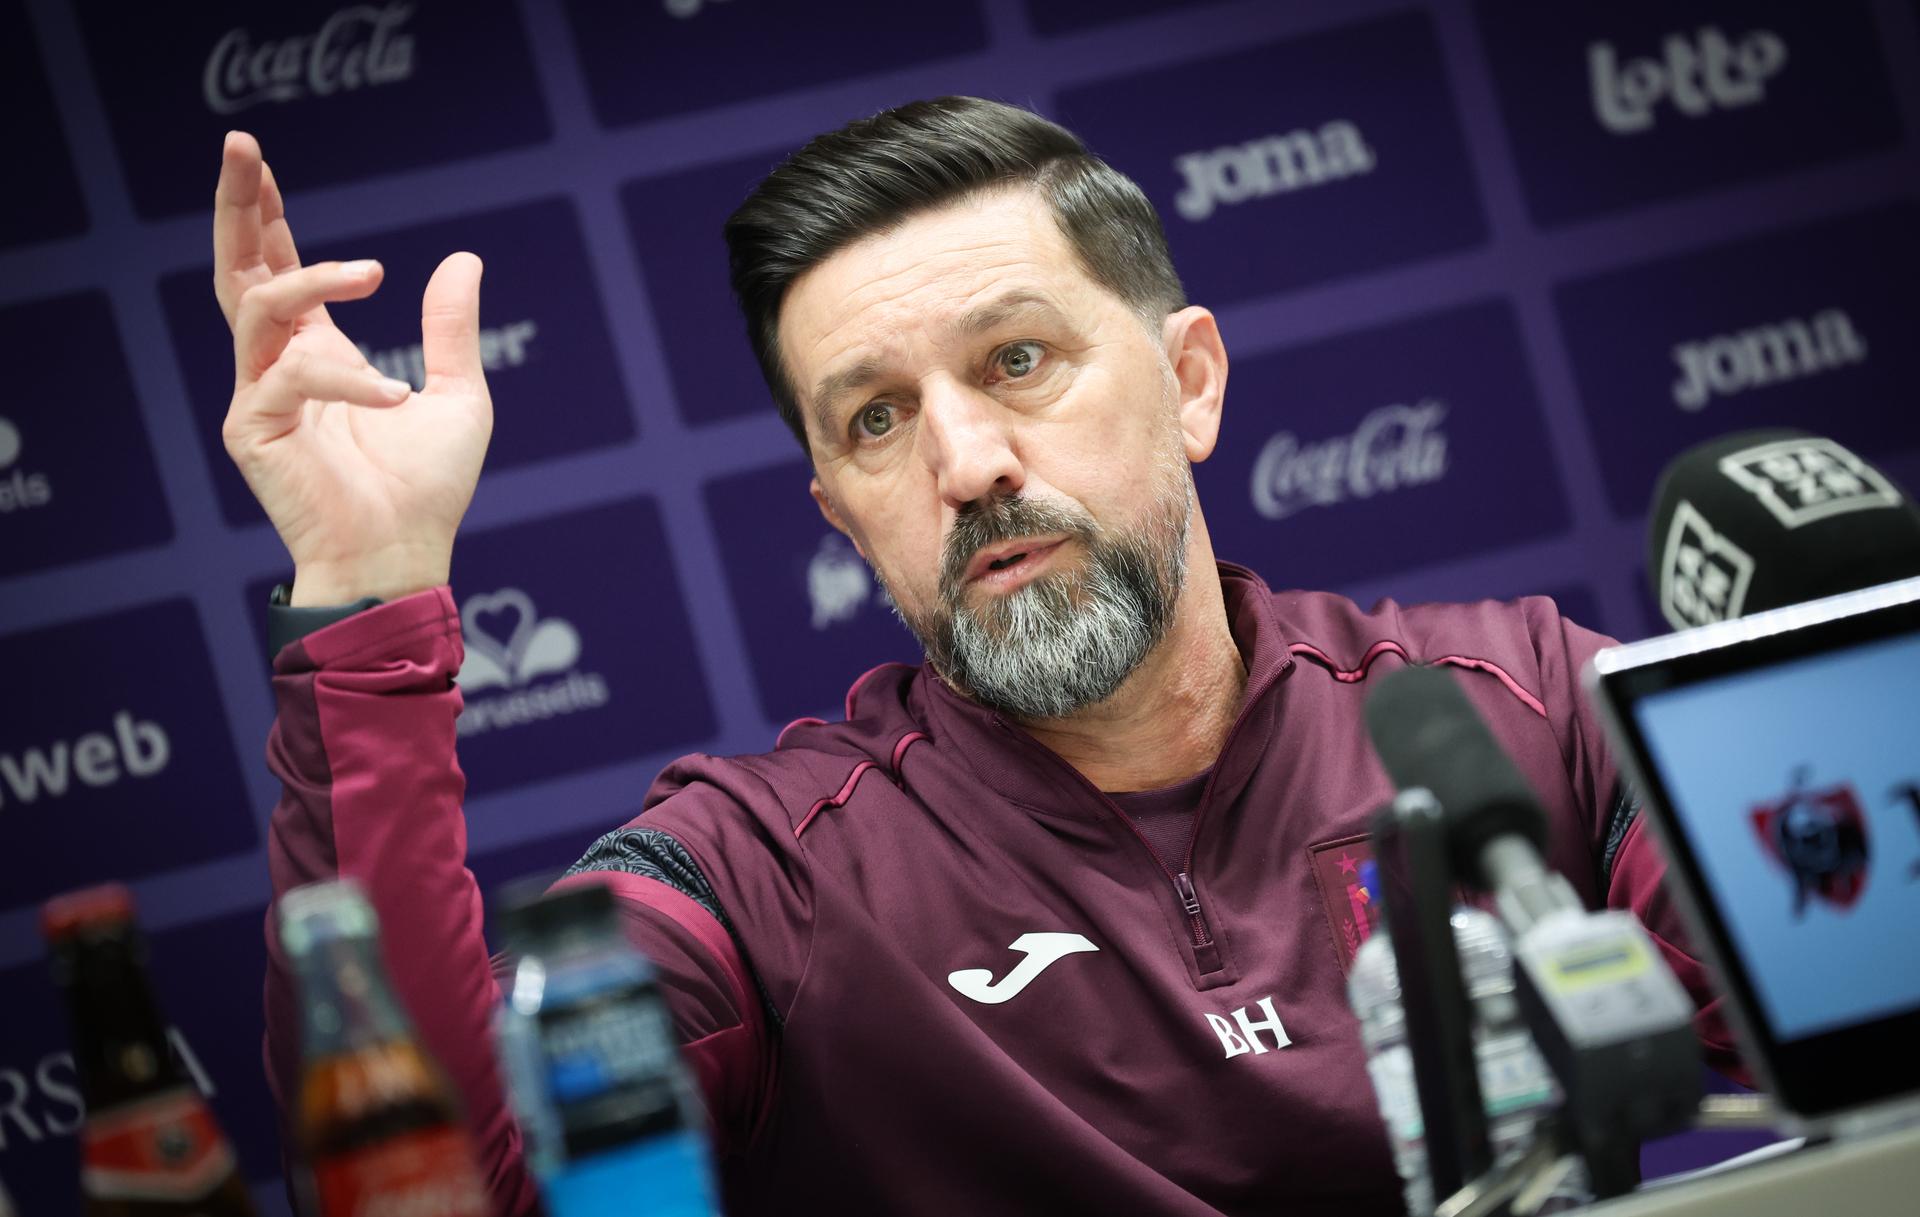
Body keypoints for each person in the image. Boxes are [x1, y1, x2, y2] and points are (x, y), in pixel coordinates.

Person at [215, 98, 1739, 1216]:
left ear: (1189, 379)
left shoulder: (1518, 708)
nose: (964, 460)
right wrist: (366, 588)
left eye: (1018, 361)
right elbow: (444, 1190)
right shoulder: (763, 878)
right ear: (838, 507)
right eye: (875, 417)